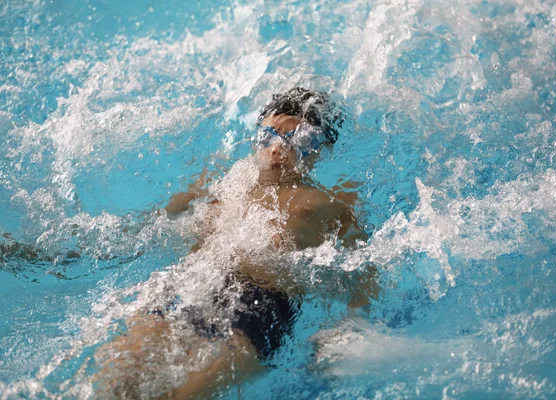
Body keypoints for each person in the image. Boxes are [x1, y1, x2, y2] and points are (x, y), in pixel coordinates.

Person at [94, 87, 379, 399]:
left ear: (320, 149)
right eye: (269, 134)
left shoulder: (329, 203)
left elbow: (365, 271)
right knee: (118, 381)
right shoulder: (222, 181)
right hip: (191, 285)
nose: (278, 149)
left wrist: (349, 330)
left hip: (259, 306)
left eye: (298, 140)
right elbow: (152, 225)